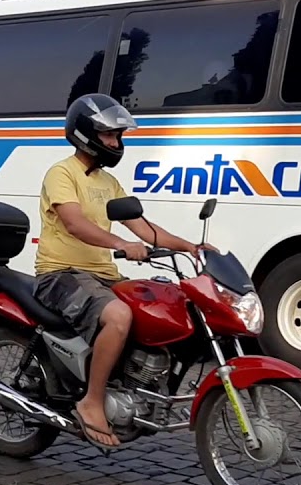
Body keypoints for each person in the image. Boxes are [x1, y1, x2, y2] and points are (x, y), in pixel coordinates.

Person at [34, 93, 206, 450]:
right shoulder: (61, 173)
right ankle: (92, 401)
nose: (116, 143)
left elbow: (143, 228)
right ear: (86, 134)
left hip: (102, 276)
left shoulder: (108, 183)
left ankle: (135, 387)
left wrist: (191, 247)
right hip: (61, 274)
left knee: (161, 307)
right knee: (118, 316)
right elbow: (75, 224)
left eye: (118, 136)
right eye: (110, 136)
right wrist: (120, 245)